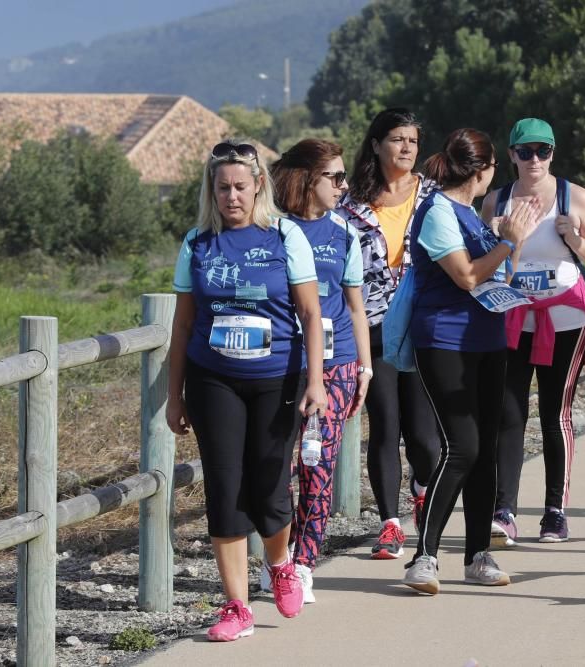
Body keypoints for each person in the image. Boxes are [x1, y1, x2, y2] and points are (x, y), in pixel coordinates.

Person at [166, 140, 328, 641]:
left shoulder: (285, 236)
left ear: (258, 186)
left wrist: (317, 381)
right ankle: (236, 606)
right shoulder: (197, 243)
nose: (231, 196)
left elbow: (310, 314)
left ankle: (280, 562)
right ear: (211, 192)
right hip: (213, 378)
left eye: (240, 186)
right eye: (222, 188)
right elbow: (182, 325)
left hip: (275, 378)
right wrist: (174, 396)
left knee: (270, 485)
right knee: (224, 487)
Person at [400, 128, 539, 595]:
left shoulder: (474, 217)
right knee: (461, 446)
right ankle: (424, 556)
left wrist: (506, 246)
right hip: (444, 341)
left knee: (484, 450)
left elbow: (498, 276)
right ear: (484, 171)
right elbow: (464, 277)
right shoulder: (439, 211)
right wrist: (509, 240)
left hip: (487, 340)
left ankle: (478, 553)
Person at [480, 118, 585, 546]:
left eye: (543, 151)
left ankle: (555, 512)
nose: (535, 159)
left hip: (566, 318)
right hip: (514, 317)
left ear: (553, 153)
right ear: (512, 155)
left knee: (556, 414)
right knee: (509, 415)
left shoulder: (574, 197)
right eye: (525, 151)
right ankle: (504, 511)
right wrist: (498, 239)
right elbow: (483, 264)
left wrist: (576, 240)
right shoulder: (496, 201)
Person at [266, 138, 373, 601]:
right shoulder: (272, 229)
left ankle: (304, 562)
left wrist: (365, 367)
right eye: (335, 177)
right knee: (275, 467)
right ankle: (280, 556)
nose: (344, 185)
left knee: (318, 464)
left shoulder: (345, 234)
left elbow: (355, 305)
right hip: (280, 363)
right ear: (308, 179)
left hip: (336, 365)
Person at [335, 108, 442, 559]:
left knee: (423, 434)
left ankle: (422, 488)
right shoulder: (350, 204)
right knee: (385, 426)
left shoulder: (434, 197)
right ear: (376, 144)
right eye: (397, 139)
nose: (405, 148)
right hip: (373, 326)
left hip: (423, 325)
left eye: (412, 141)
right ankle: (389, 523)